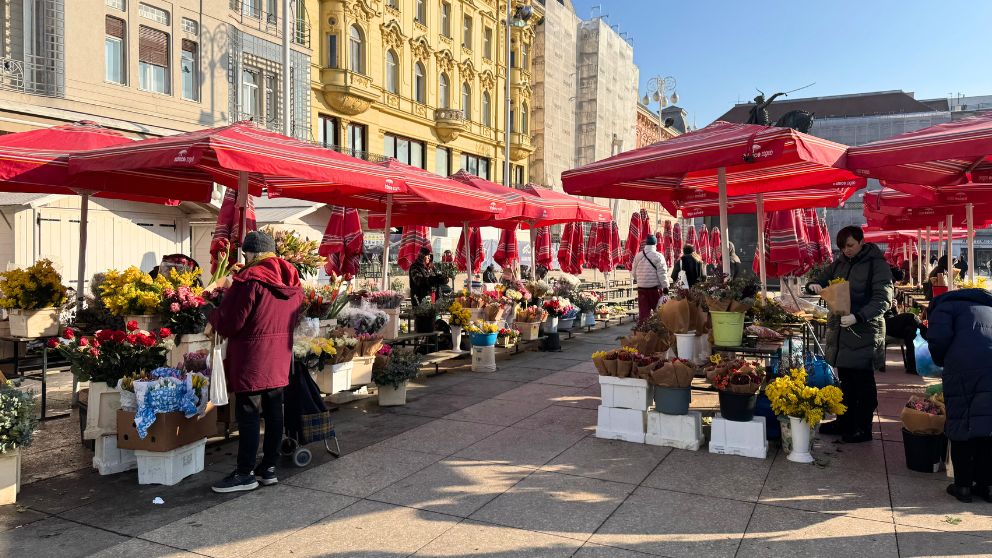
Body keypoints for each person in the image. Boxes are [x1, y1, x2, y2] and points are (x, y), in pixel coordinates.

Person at [208, 231, 303, 493]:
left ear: (251, 253)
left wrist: (213, 312)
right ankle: (268, 468)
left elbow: (230, 323)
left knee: (248, 415)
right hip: (278, 357)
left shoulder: (249, 280)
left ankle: (244, 473)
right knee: (274, 412)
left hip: (251, 357)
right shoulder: (294, 282)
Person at [806, 225, 893, 443]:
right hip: (841, 331)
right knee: (845, 380)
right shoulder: (840, 263)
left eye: (851, 245)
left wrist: (860, 316)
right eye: (843, 247)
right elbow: (822, 278)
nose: (847, 250)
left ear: (862, 242)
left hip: (865, 331)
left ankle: (862, 428)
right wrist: (814, 285)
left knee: (862, 382)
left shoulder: (877, 265)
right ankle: (844, 422)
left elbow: (883, 299)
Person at [925, 288, 992, 503]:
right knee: (988, 425)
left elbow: (937, 341)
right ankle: (987, 485)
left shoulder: (943, 307)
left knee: (962, 424)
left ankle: (963, 486)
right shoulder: (989, 306)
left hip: (962, 368)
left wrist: (943, 361)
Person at [631, 235, 669, 323]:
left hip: (641, 288)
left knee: (643, 314)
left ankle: (642, 333)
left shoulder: (638, 256)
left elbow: (634, 272)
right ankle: (657, 332)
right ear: (655, 244)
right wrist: (665, 286)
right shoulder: (659, 256)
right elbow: (662, 273)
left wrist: (640, 280)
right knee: (658, 312)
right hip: (654, 289)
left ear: (646, 244)